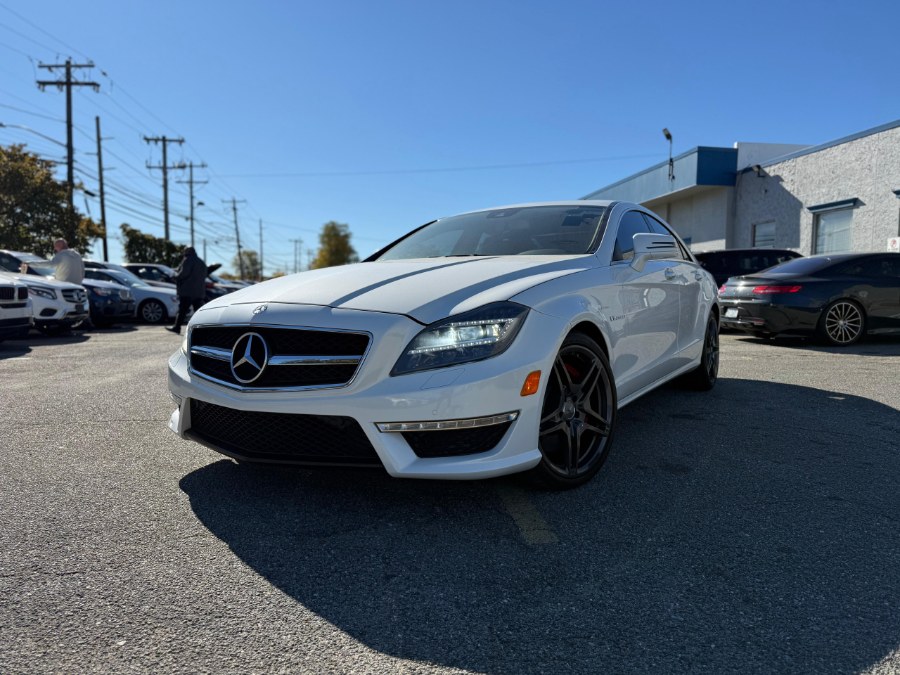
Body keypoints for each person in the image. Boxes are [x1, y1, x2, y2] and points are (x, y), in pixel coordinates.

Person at [166, 246, 207, 334]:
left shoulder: (188, 260)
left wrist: (175, 277)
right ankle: (203, 330)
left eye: (184, 251)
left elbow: (184, 273)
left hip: (187, 291)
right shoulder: (201, 262)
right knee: (198, 312)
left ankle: (177, 327)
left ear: (187, 252)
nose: (183, 253)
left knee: (182, 310)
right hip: (199, 292)